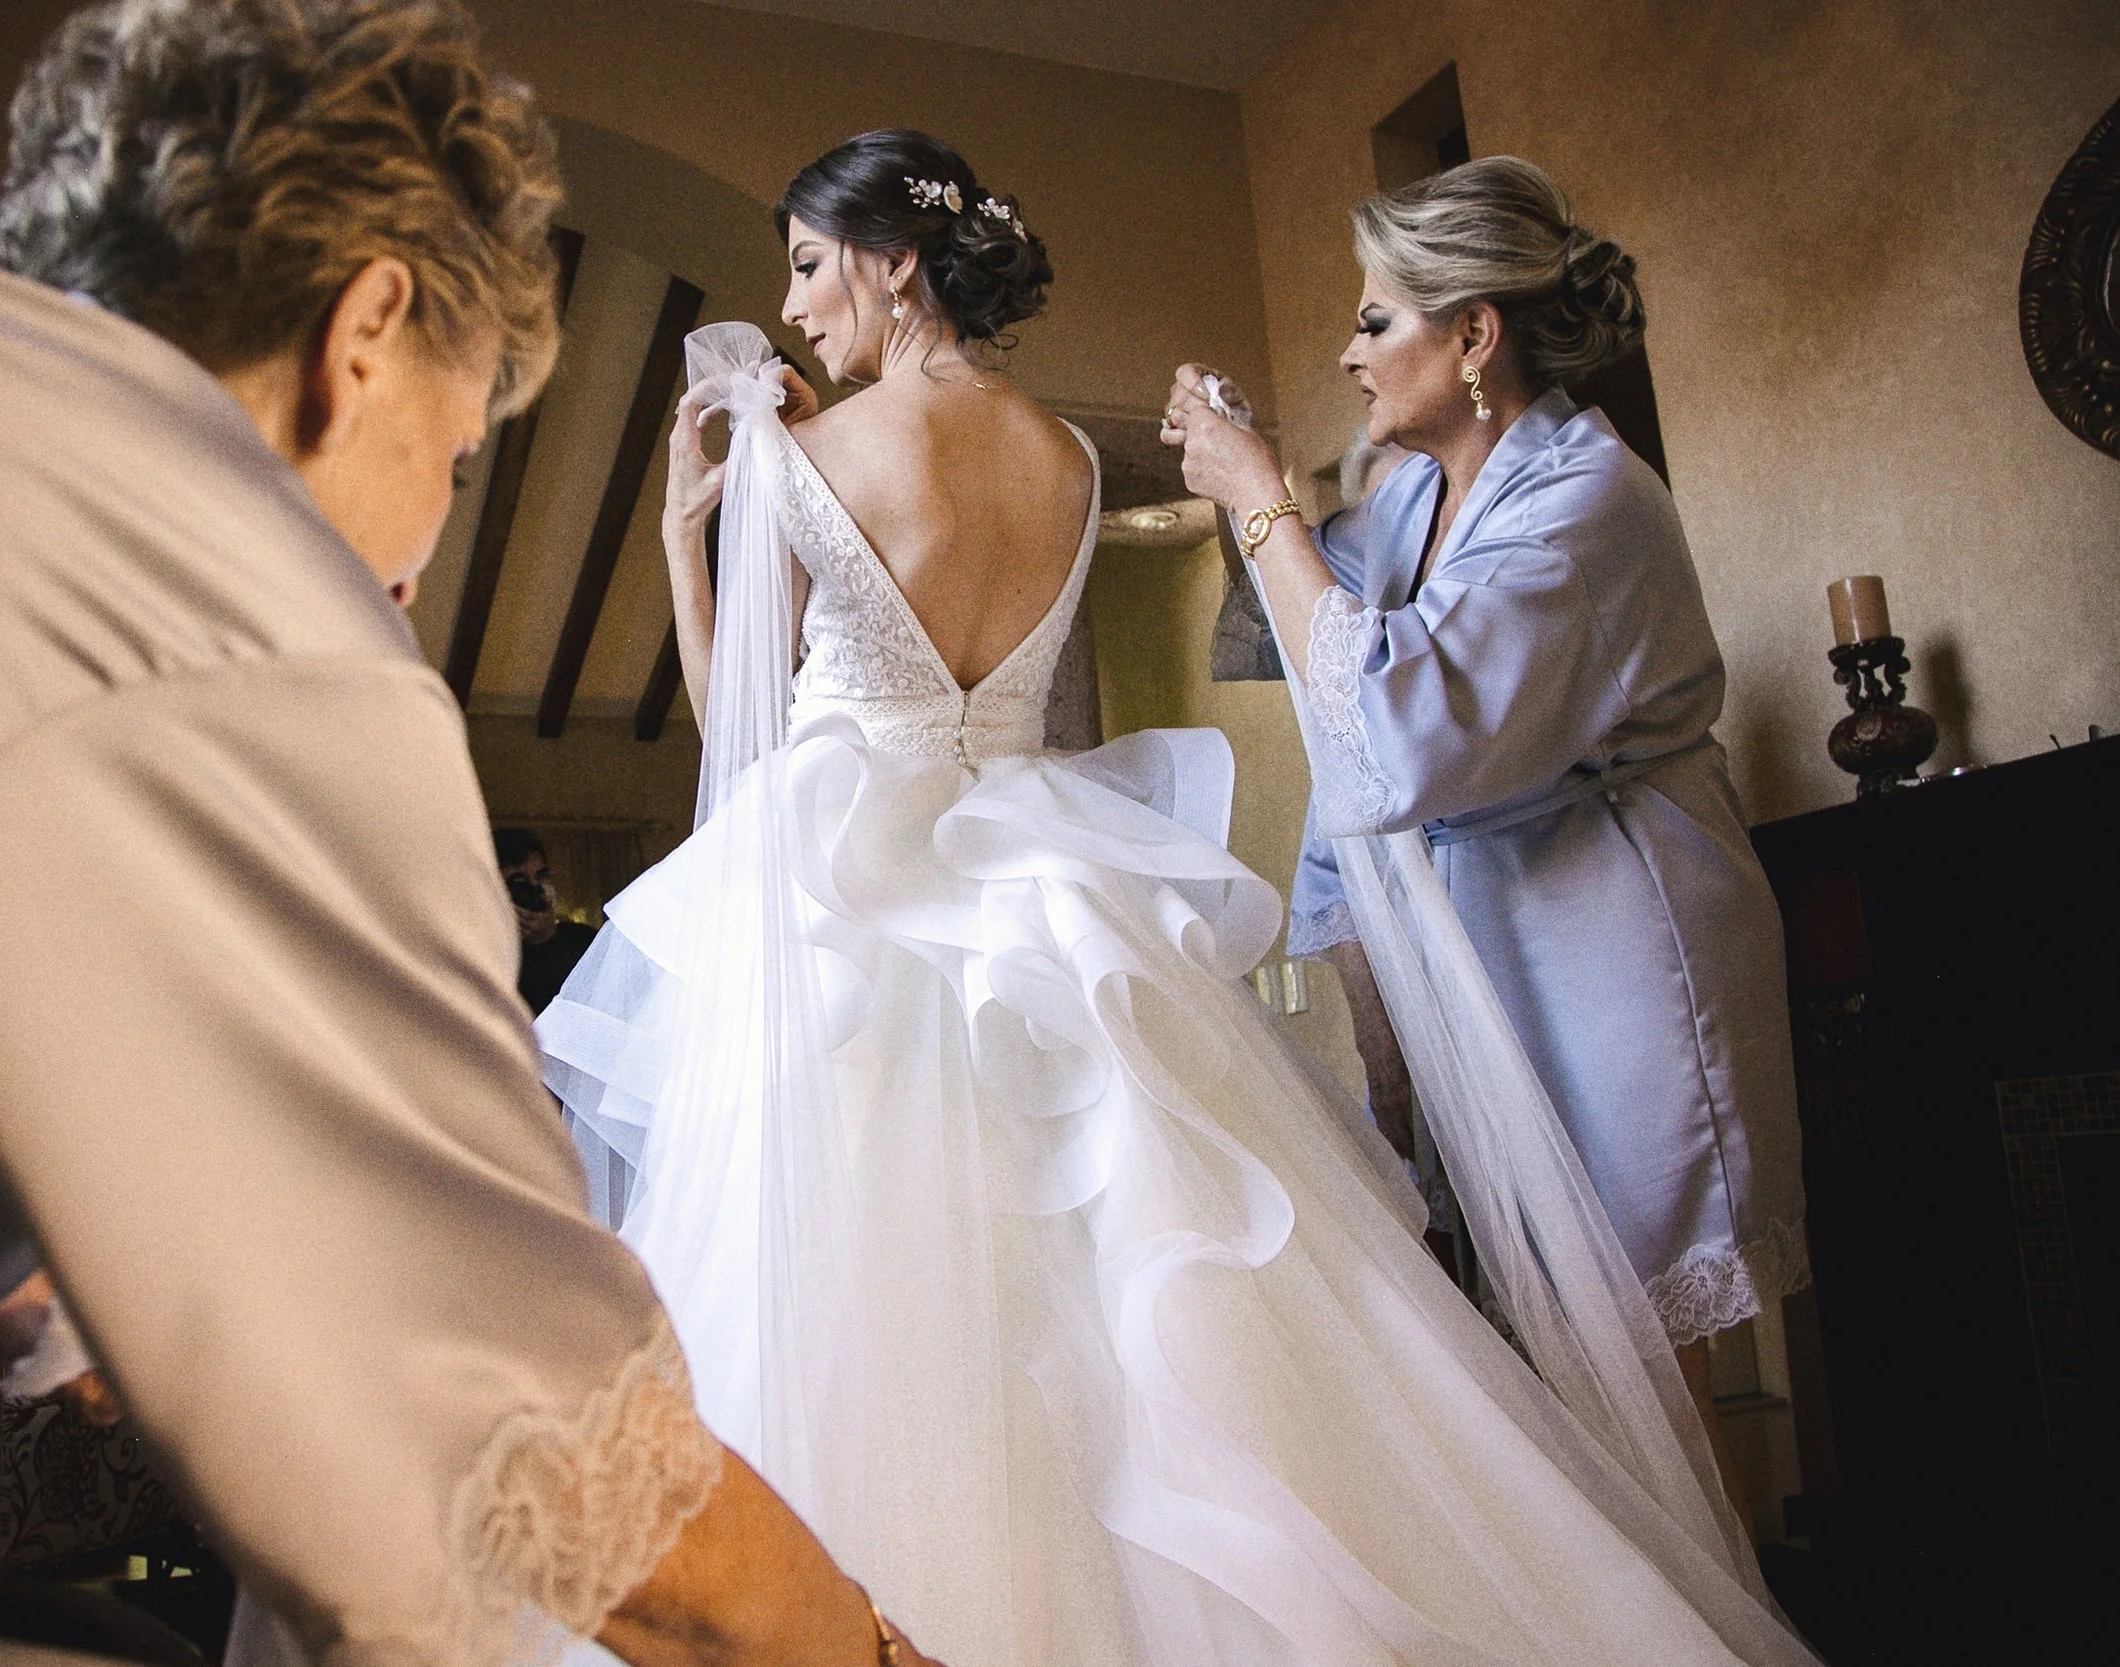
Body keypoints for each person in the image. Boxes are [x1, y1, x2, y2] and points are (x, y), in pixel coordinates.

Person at [0, 3, 944, 1664]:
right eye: (459, 458)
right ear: (368, 330)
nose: (413, 560)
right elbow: (537, 1435)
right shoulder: (231, 583)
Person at [539, 129, 1820, 1667]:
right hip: (1043, 882)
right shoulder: (1070, 463)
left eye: (812, 263)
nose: (797, 306)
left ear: (894, 262)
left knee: (854, 1318)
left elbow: (738, 730)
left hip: (854, 899)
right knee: (1163, 1302)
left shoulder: (800, 460)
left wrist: (693, 533)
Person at [1163, 155, 1809, 1516]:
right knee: (1546, 1360)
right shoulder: (1406, 498)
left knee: (1646, 1353)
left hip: (1617, 938)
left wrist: (1262, 486)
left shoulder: (1586, 499)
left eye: (1376, 319)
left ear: (1473, 334)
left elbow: (1402, 723)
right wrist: (1352, 957)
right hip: (1486, 937)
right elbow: (1314, 654)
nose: (1348, 351)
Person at [495, 827, 600, 1014]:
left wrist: (548, 939)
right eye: (519, 882)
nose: (535, 889)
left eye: (541, 877)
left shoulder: (584, 941)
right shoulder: (479, 953)